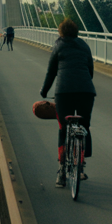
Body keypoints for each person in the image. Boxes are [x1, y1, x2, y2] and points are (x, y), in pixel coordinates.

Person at [40, 18, 96, 187]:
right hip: (86, 91)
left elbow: (51, 72)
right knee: (84, 125)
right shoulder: (84, 45)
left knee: (63, 129)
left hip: (63, 92)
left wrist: (44, 91)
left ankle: (62, 171)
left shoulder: (58, 45)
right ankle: (80, 166)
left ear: (61, 32)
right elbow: (90, 70)